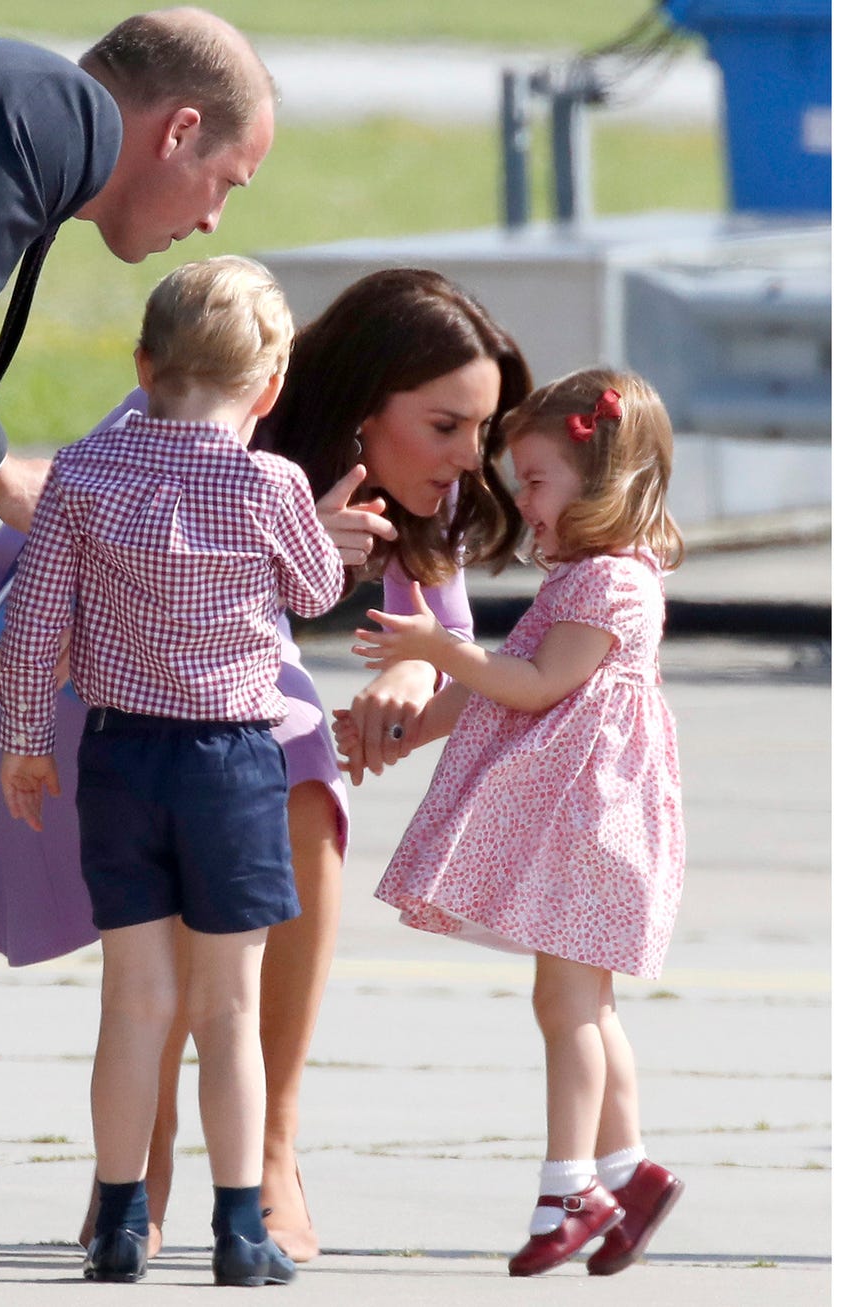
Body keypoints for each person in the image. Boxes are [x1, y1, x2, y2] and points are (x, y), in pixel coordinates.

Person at [0, 268, 533, 1261]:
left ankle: (261, 1152)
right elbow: (72, 569)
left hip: (171, 713)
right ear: (358, 404)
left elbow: (434, 626)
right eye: (445, 425)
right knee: (192, 950)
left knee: (291, 790)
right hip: (93, 673)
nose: (466, 458)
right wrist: (315, 540)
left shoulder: (405, 484)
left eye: (482, 432)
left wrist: (405, 680)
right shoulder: (219, 430)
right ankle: (153, 1172)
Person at [0, 255, 345, 1286]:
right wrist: (317, 529)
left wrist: (22, 741)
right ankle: (240, 1229)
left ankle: (116, 1219)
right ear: (269, 385)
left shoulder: (81, 474)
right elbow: (316, 587)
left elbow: (36, 627)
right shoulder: (268, 481)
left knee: (132, 999)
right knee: (226, 1008)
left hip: (118, 751)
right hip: (234, 761)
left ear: (143, 364)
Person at [340, 368, 686, 1278]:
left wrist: (433, 646)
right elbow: (500, 683)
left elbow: (533, 686)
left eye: (535, 480)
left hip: (590, 825)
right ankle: (627, 1169)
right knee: (587, 1004)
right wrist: (412, 727)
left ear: (602, 480)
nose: (519, 499)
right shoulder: (588, 578)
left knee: (566, 1005)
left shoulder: (612, 587)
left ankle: (570, 1185)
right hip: (581, 824)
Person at [0, 6, 276, 653]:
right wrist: (10, 482)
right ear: (181, 131)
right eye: (225, 184)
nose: (214, 220)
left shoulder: (36, 110)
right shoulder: (71, 114)